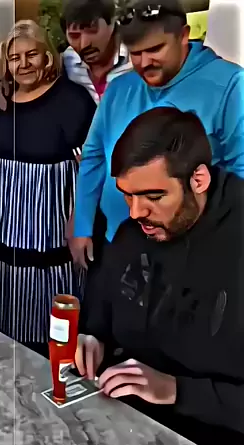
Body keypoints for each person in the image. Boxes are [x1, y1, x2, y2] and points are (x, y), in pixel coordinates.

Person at [75, 107, 244, 445]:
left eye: (153, 196)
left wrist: (176, 390)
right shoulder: (136, 232)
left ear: (198, 180)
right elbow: (105, 296)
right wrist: (93, 334)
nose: (136, 212)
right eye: (127, 196)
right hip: (131, 433)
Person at [71, 0, 244, 272]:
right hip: (119, 243)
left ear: (183, 35)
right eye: (135, 53)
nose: (144, 63)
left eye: (155, 49)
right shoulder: (119, 89)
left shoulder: (231, 85)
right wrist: (82, 225)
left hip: (192, 253)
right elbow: (93, 156)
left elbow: (240, 174)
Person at [0, 20, 96, 357]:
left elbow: (93, 166)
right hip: (4, 240)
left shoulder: (73, 101)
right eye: (14, 58)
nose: (23, 64)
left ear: (47, 55)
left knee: (57, 338)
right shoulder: (0, 105)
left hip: (55, 240)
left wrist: (81, 221)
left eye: (31, 54)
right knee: (7, 339)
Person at [61, 0, 133, 104]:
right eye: (74, 35)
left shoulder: (137, 58)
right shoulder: (67, 62)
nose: (85, 44)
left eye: (92, 31)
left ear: (112, 23)